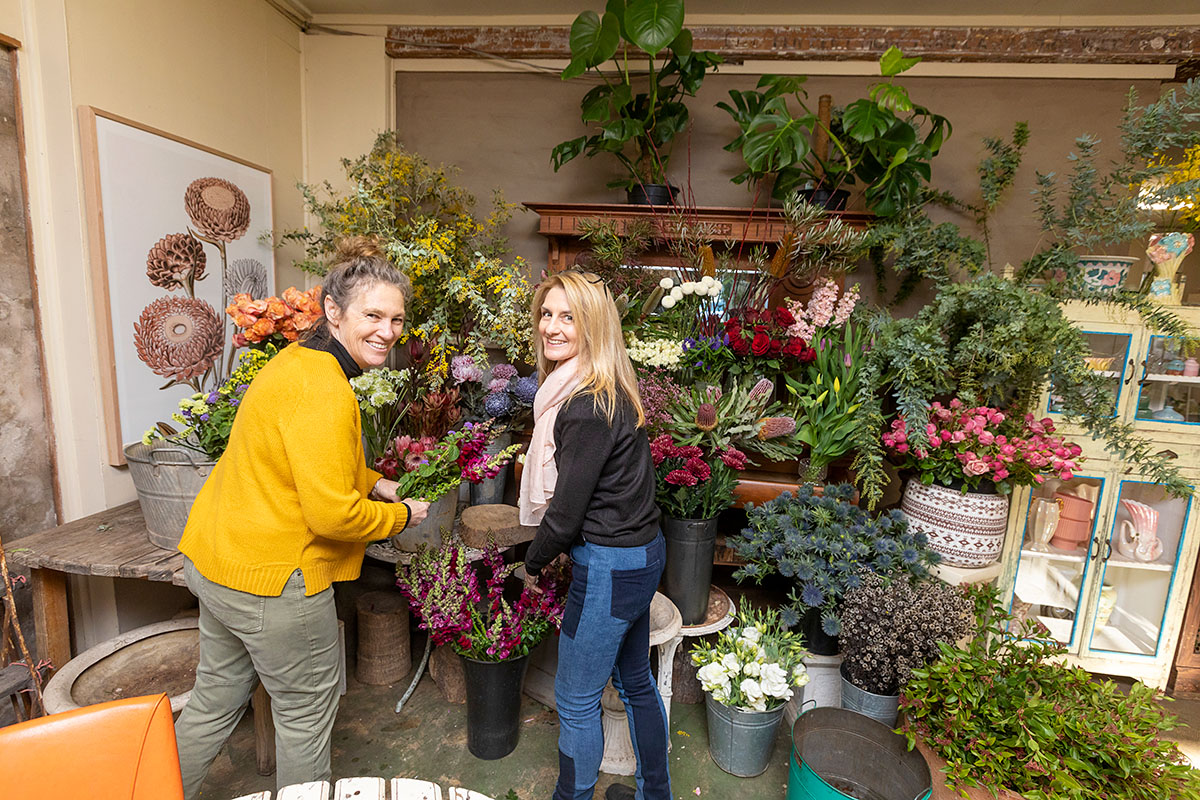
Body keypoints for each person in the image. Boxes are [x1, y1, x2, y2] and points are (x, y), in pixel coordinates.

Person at [174, 236, 430, 799]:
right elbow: (333, 516)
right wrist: (401, 516)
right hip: (275, 581)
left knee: (214, 701)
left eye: (396, 319)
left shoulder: (296, 363)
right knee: (304, 717)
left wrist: (377, 482)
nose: (387, 331)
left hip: (219, 562)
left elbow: (305, 465)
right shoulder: (325, 389)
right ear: (333, 312)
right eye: (372, 315)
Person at [520, 269, 668, 800]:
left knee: (576, 699)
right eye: (547, 313)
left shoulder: (584, 403)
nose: (552, 327)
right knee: (635, 683)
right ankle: (657, 793)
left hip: (611, 565)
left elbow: (564, 514)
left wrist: (531, 564)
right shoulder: (606, 387)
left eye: (569, 317)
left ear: (594, 327)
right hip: (642, 555)